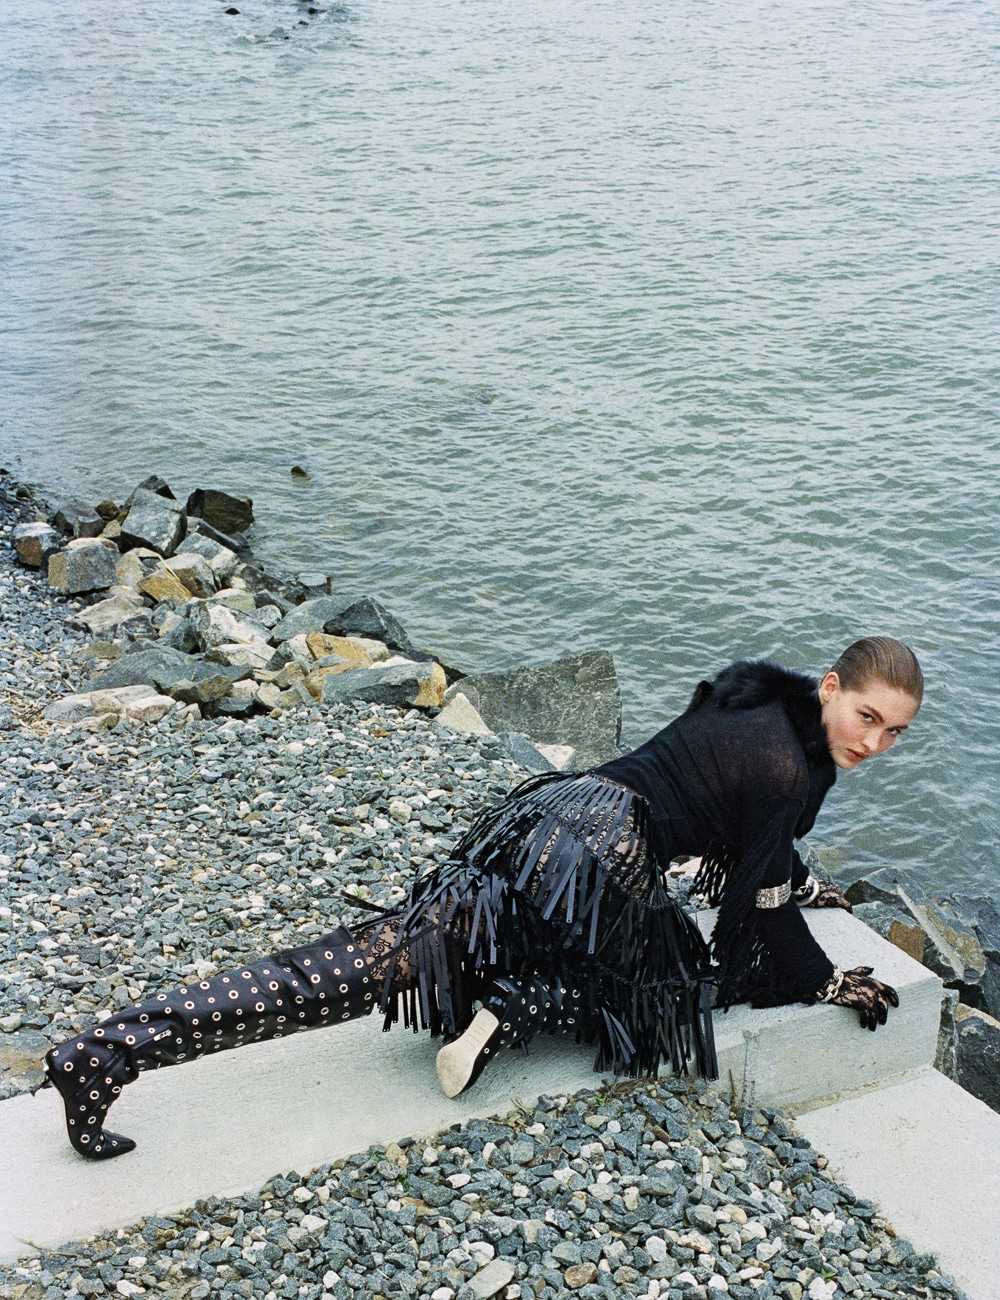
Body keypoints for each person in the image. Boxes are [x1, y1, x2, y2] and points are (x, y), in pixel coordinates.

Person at [41, 636, 921, 1160]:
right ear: (832, 688)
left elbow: (743, 822)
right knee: (678, 990)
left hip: (552, 819)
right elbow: (756, 912)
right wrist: (822, 979)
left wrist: (793, 874)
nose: (876, 744)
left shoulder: (758, 695)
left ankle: (107, 1050)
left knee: (386, 955)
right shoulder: (789, 769)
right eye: (867, 718)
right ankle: (522, 1002)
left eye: (896, 733)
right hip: (604, 860)